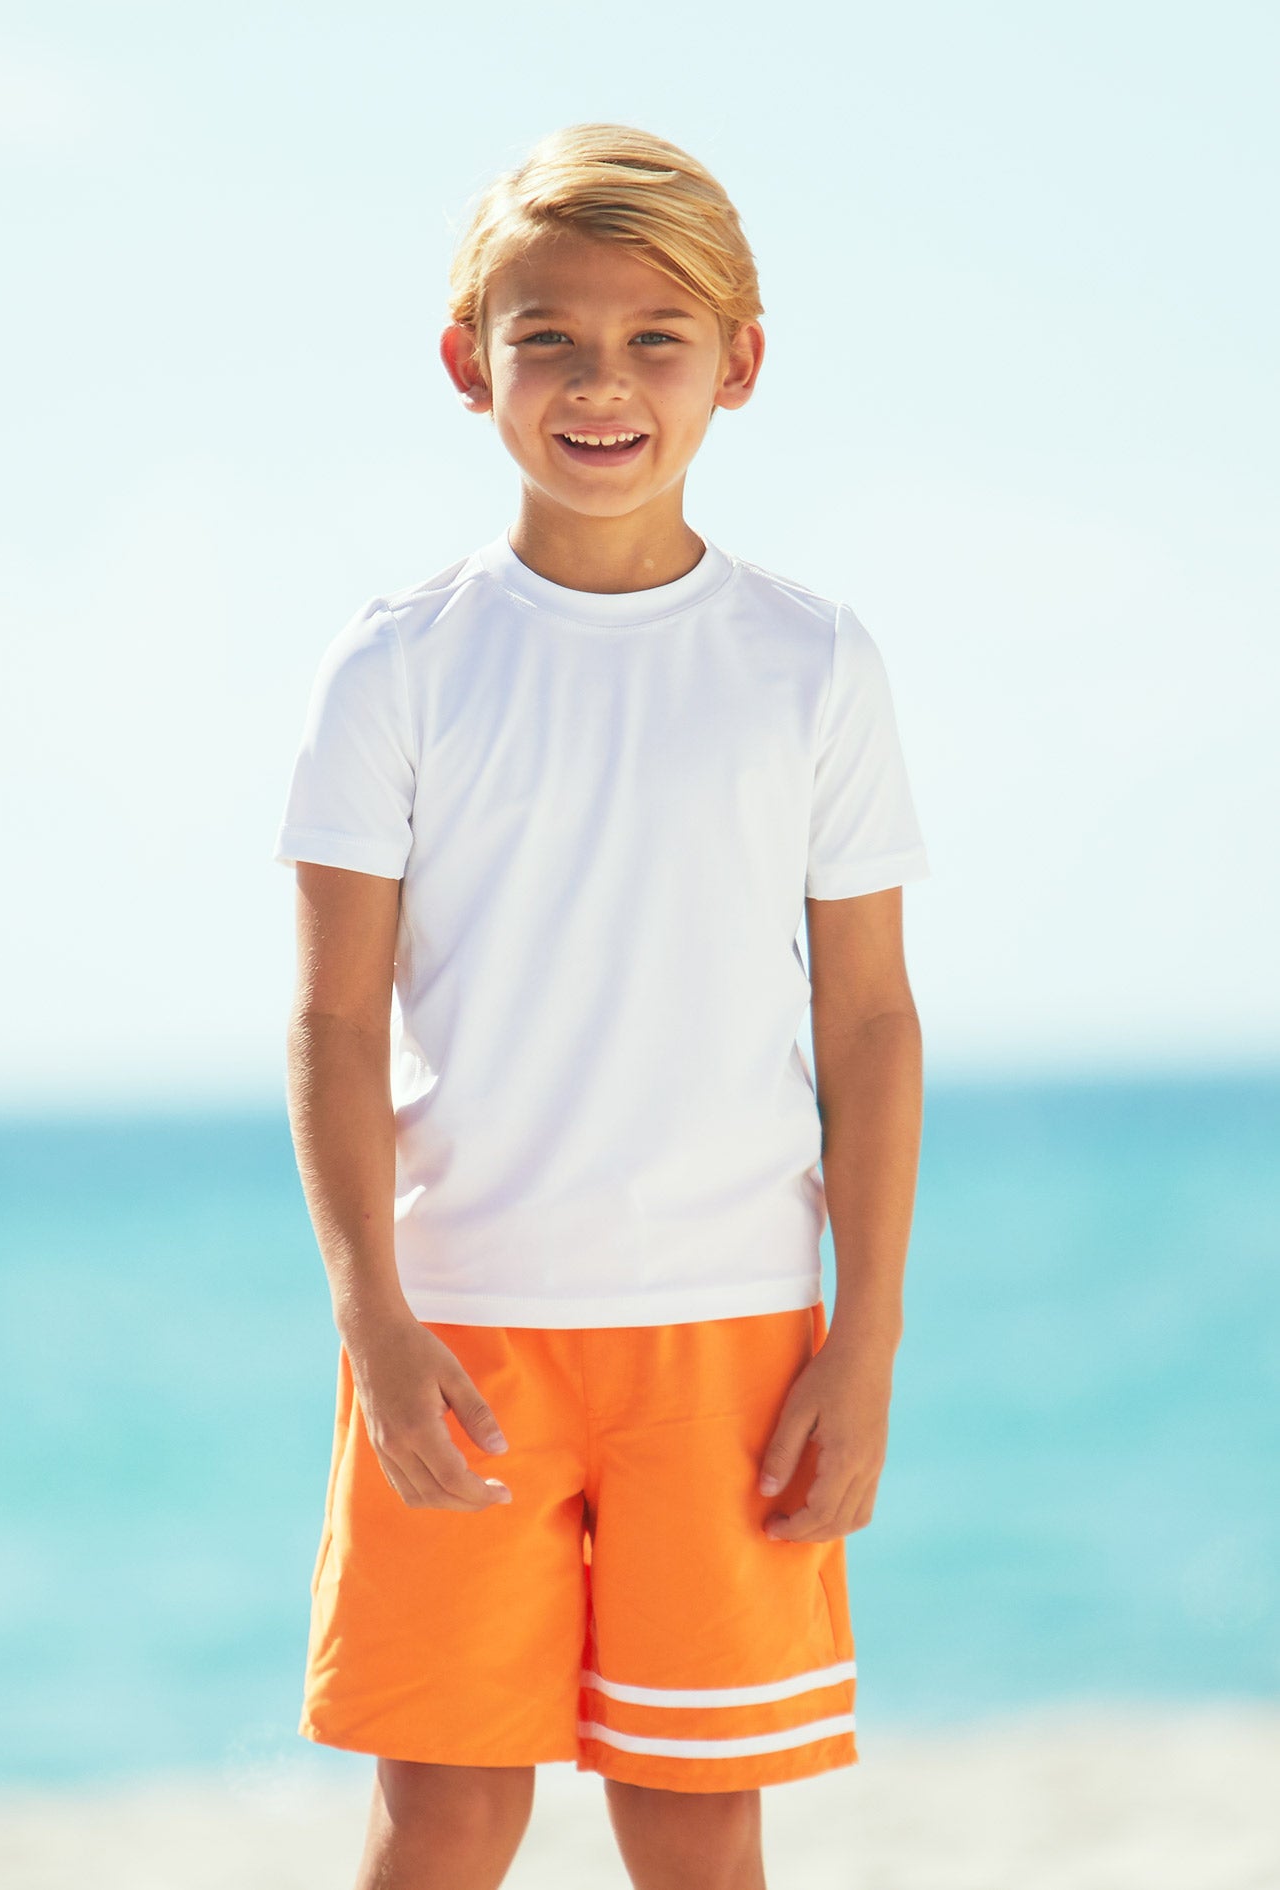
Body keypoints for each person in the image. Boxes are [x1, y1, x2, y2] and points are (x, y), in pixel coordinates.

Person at [271, 120, 931, 1890]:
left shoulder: (810, 661)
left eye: (656, 336)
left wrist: (859, 1342)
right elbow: (333, 1023)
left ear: (741, 362)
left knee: (698, 1810)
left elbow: (869, 1026)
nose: (599, 382)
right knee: (446, 1806)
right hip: (463, 1332)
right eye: (546, 334)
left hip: (728, 1337)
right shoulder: (397, 661)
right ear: (465, 361)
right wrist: (374, 1320)